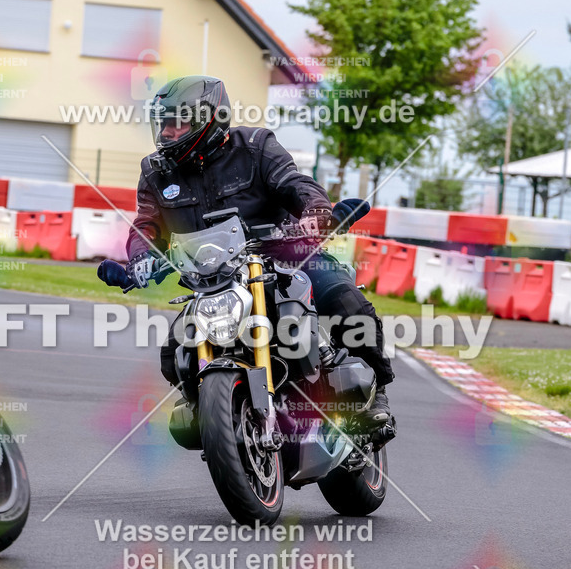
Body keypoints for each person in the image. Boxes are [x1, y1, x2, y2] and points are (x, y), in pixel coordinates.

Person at [98, 76, 394, 425]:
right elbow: (148, 225)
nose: (166, 132)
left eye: (178, 122)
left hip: (289, 255)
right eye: (163, 123)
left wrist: (317, 213)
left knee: (343, 299)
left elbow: (294, 184)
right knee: (175, 351)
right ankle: (213, 410)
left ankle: (377, 393)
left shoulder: (255, 145)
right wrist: (140, 258)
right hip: (216, 276)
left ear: (210, 117)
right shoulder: (155, 172)